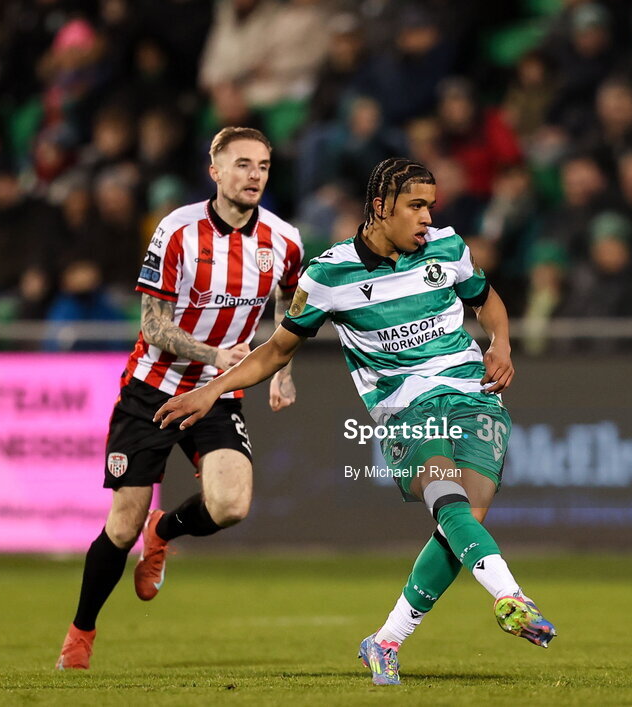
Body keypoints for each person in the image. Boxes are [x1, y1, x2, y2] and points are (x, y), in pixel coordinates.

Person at [153, 157, 556, 686]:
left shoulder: (447, 247)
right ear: (381, 208)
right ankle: (511, 597)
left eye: (430, 206)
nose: (426, 218)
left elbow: (487, 301)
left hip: (473, 394)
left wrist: (501, 342)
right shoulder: (329, 274)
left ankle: (385, 640)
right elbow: (276, 351)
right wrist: (210, 389)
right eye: (415, 206)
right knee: (449, 503)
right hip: (404, 408)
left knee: (463, 526)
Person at [55, 127, 305, 670]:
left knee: (232, 506)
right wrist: (215, 355)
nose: (254, 175)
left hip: (216, 395)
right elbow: (153, 325)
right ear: (214, 171)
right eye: (242, 165)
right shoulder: (177, 231)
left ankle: (163, 531)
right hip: (151, 389)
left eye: (262, 165)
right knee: (121, 524)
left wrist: (280, 371)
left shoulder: (284, 240)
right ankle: (81, 632)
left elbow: (289, 308)